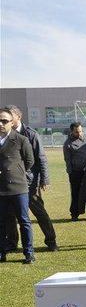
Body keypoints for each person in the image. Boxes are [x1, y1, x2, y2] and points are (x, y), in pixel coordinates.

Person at [3, 105, 58, 252]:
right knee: (10, 215)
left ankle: (51, 241)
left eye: (9, 116)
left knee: (39, 213)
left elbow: (41, 159)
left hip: (29, 183)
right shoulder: (3, 135)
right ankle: (12, 243)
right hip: (9, 184)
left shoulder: (31, 134)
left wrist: (45, 180)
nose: (4, 120)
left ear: (18, 117)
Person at [0, 108, 35, 264]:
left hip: (18, 187)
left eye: (4, 121)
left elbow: (29, 161)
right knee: (1, 223)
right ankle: (2, 253)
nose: (1, 124)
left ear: (12, 122)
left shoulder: (21, 139)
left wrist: (17, 172)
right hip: (1, 189)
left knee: (24, 221)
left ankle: (29, 253)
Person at [63, 122, 86, 221]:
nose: (79, 133)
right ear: (71, 131)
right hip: (76, 172)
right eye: (76, 132)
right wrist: (70, 172)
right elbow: (67, 159)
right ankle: (74, 214)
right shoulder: (68, 143)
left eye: (80, 131)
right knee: (76, 193)